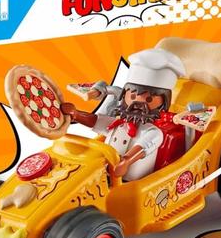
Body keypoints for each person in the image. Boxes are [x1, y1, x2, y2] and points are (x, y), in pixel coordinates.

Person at [61, 48, 186, 181]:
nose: (138, 104)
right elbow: (95, 121)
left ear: (163, 103)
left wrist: (126, 161)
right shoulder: (119, 124)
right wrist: (76, 114)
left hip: (133, 182)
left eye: (148, 99)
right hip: (104, 174)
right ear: (124, 95)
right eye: (132, 96)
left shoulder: (153, 132)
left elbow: (143, 147)